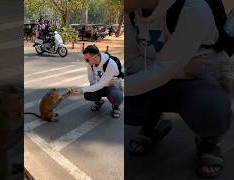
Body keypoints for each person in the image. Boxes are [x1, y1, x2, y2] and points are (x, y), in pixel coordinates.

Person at [126, 0, 233, 178]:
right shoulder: (131, 12)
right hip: (172, 75)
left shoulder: (192, 8)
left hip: (197, 81)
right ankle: (151, 124)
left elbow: (159, 70)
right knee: (126, 100)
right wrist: (182, 69)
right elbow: (130, 62)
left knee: (213, 107)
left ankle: (208, 142)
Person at [72, 45, 123, 118]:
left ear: (96, 56)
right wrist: (91, 89)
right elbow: (91, 80)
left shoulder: (111, 64)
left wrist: (82, 90)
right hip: (101, 85)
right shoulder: (90, 64)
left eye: (87, 60)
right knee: (88, 94)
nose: (86, 62)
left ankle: (116, 106)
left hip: (112, 86)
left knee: (116, 96)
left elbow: (101, 84)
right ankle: (99, 101)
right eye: (85, 59)